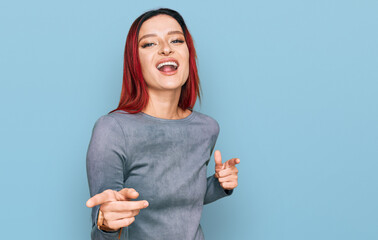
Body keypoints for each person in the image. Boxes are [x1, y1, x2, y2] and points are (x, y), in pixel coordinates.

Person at [85, 8, 240, 240]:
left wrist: (220, 185)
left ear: (188, 54)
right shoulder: (112, 130)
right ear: (134, 61)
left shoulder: (207, 128)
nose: (166, 48)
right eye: (149, 44)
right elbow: (107, 217)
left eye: (176, 40)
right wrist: (106, 223)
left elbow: (181, 197)